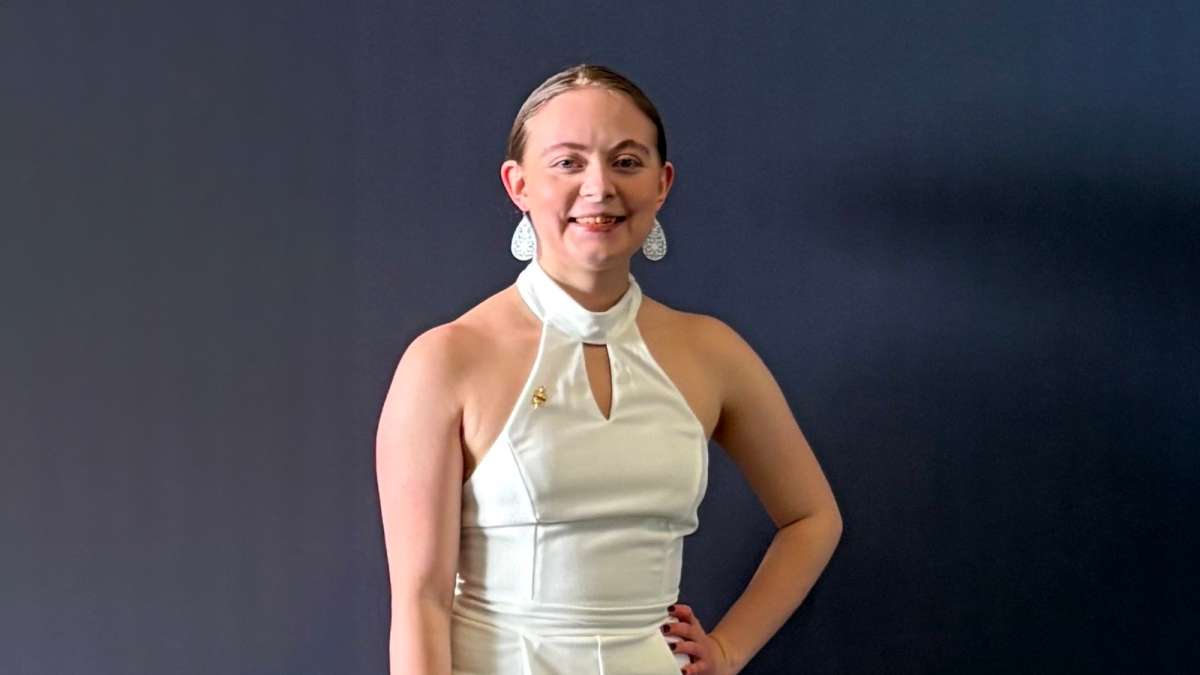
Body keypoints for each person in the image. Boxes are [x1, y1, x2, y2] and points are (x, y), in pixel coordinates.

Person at [376, 64, 843, 675]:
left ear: (662, 183)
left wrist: (728, 651)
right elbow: (421, 600)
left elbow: (812, 519)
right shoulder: (448, 359)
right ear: (518, 185)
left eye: (626, 162)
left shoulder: (712, 351)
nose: (599, 188)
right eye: (567, 163)